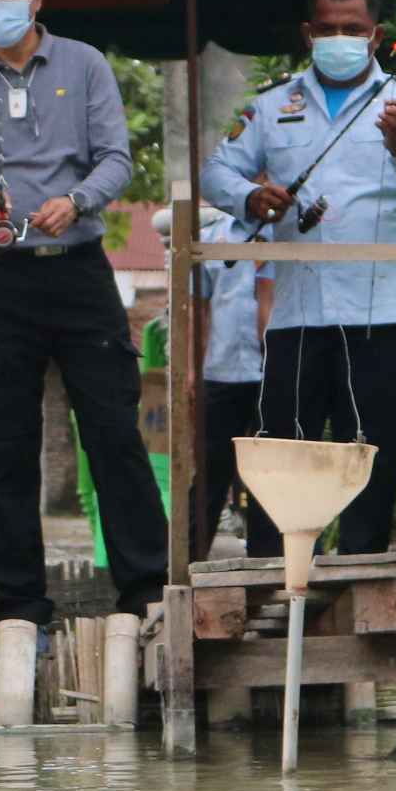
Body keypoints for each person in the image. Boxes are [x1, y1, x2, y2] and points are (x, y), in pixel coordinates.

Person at [0, 0, 169, 624]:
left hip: (79, 269)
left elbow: (116, 159)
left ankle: (145, 589)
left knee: (112, 428)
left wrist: (78, 200)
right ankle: (18, 604)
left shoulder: (85, 65)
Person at [203, 0, 396, 555]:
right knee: (285, 451)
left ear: (376, 36)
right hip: (297, 310)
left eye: (353, 29)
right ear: (308, 34)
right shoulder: (273, 105)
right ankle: (278, 577)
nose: (340, 39)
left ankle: (362, 574)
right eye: (328, 29)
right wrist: (251, 197)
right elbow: (215, 172)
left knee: (371, 450)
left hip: (384, 310)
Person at [175, 201, 276, 557]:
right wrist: (192, 368)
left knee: (272, 474)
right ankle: (188, 562)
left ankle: (269, 564)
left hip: (274, 372)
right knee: (210, 472)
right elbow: (198, 310)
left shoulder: (287, 235)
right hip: (221, 371)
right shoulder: (211, 238)